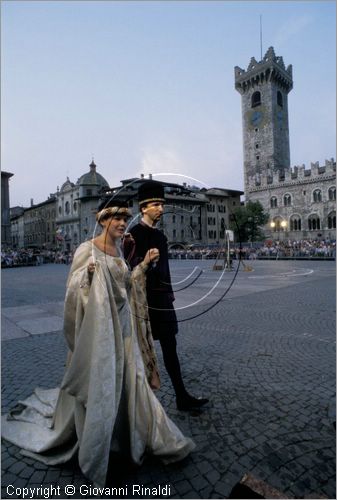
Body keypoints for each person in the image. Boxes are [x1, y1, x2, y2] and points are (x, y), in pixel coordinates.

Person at [2, 200, 195, 487]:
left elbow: (126, 284)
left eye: (124, 218)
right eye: (115, 219)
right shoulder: (86, 249)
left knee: (132, 380)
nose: (121, 223)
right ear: (102, 220)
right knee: (103, 381)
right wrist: (88, 275)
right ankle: (100, 441)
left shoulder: (118, 250)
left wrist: (142, 265)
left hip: (123, 328)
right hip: (99, 331)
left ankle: (129, 434)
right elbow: (73, 289)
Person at [125, 180, 209, 411]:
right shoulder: (132, 236)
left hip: (162, 300)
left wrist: (170, 293)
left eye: (162, 204)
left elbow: (165, 271)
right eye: (155, 204)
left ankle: (182, 396)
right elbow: (128, 272)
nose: (161, 208)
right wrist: (144, 262)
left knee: (170, 348)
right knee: (140, 351)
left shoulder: (161, 237)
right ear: (143, 207)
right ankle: (138, 407)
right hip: (142, 303)